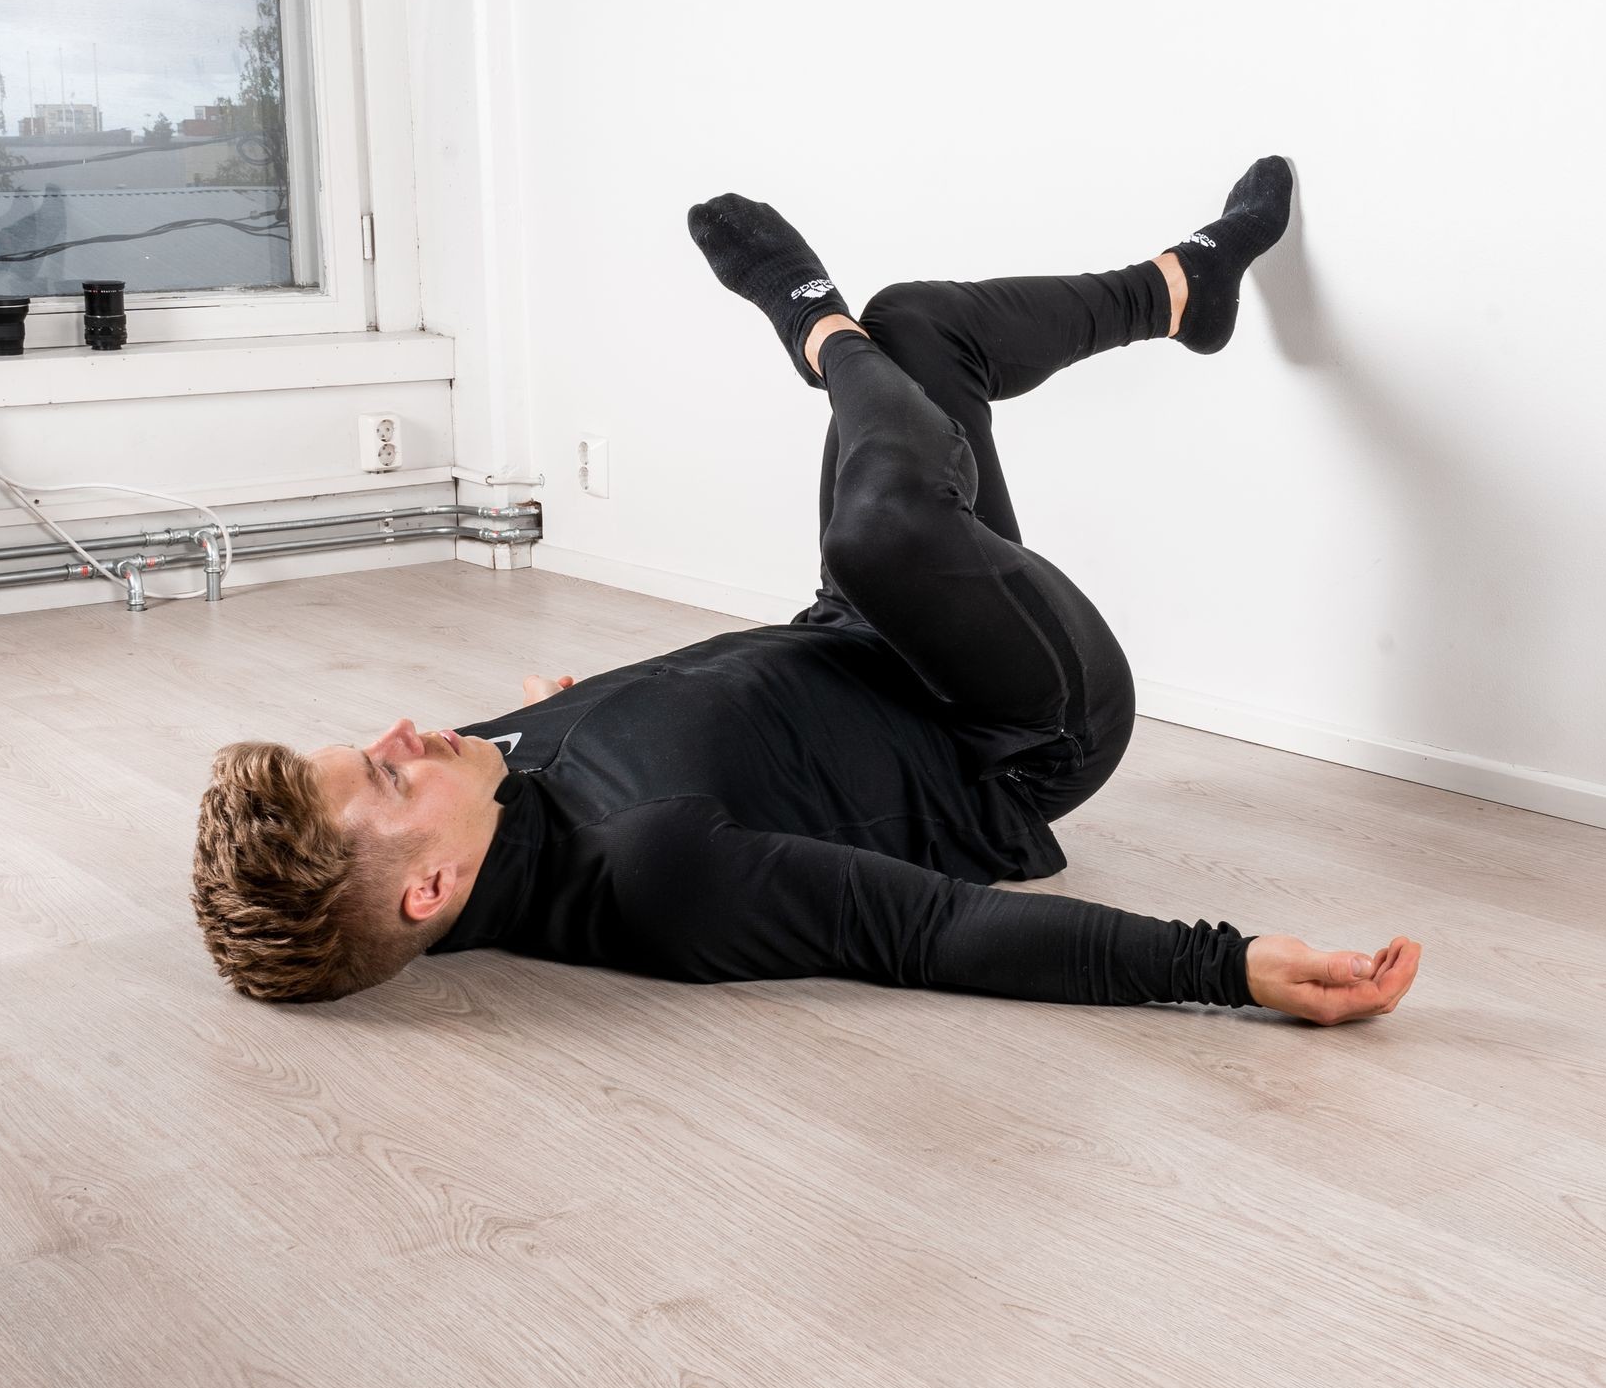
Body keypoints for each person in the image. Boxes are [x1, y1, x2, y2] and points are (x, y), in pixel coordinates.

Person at [191, 155, 1422, 1021]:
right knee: (882, 514)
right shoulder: (656, 881)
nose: (399, 732)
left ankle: (1180, 286)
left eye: (367, 746)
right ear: (430, 890)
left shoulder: (485, 778)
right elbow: (936, 933)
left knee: (927, 327)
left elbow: (655, 728)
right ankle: (816, 327)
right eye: (387, 773)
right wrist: (1229, 966)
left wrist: (586, 708)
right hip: (1015, 727)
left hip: (875, 632)